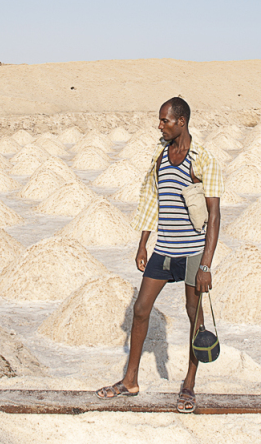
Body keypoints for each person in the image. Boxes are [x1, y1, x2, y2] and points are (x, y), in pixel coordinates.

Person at [96, 97, 223, 414]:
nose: (160, 125)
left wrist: (205, 265)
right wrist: (143, 243)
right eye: (160, 120)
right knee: (141, 309)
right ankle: (130, 381)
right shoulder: (161, 156)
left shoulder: (203, 160)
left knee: (195, 317)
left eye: (165, 120)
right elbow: (151, 200)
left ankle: (189, 385)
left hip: (193, 253)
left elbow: (215, 216)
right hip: (164, 249)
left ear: (181, 121)